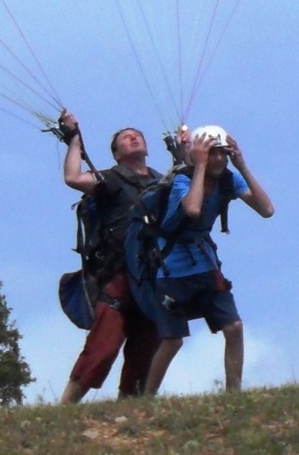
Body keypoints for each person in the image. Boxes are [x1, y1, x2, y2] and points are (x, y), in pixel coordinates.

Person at [139, 124, 274, 396]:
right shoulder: (182, 180)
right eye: (213, 154)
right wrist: (198, 166)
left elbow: (266, 210)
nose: (219, 160)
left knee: (234, 327)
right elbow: (192, 208)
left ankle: (233, 394)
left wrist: (243, 166)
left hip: (204, 266)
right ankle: (147, 398)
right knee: (173, 340)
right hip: (170, 271)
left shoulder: (228, 179)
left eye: (223, 154)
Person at [59, 110, 163, 403]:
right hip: (116, 276)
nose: (134, 137)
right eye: (125, 138)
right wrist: (74, 139)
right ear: (117, 154)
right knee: (103, 347)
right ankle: (63, 409)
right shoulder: (113, 179)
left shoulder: (162, 182)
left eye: (138, 134)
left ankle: (129, 411)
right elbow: (73, 177)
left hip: (151, 278)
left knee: (146, 348)